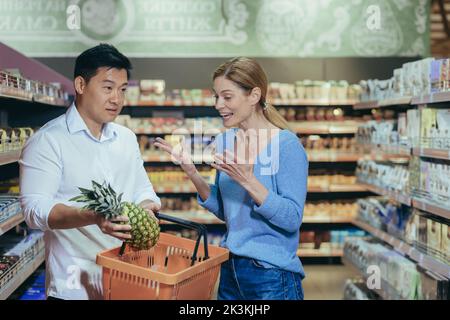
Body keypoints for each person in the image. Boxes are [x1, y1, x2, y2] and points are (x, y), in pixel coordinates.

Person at [154, 57, 308, 300]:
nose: (218, 104)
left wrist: (249, 181)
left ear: (254, 95)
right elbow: (228, 212)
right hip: (230, 269)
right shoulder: (225, 141)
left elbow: (291, 219)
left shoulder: (286, 145)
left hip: (272, 275)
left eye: (227, 97)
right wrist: (192, 172)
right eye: (216, 96)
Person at [19, 44, 161, 300]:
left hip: (128, 281)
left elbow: (142, 189)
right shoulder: (49, 141)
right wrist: (93, 216)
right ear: (81, 85)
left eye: (122, 90)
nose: (116, 99)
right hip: (74, 287)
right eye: (107, 88)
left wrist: (148, 208)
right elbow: (34, 210)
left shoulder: (126, 138)